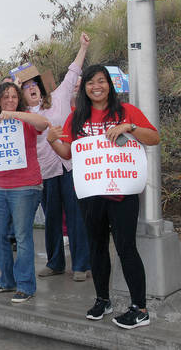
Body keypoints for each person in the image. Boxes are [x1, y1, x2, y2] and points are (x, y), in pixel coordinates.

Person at [47, 64, 159, 329]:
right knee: (96, 248)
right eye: (90, 82)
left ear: (110, 84)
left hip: (122, 193)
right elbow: (68, 153)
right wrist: (52, 140)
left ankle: (139, 308)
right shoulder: (76, 118)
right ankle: (102, 299)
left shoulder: (126, 112)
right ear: (84, 87)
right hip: (91, 193)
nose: (96, 86)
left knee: (125, 247)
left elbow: (153, 138)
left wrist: (128, 128)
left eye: (101, 81)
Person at [20, 32, 91, 282]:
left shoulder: (59, 97)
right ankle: (55, 262)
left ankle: (82, 264)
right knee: (51, 218)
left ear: (41, 88)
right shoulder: (23, 115)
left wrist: (82, 47)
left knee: (76, 215)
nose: (32, 90)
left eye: (34, 86)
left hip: (70, 166)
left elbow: (73, 71)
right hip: (46, 172)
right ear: (22, 95)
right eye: (26, 89)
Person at [0, 82, 49, 303]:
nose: (10, 100)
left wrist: (17, 115)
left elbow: (44, 123)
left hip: (26, 186)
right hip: (1, 185)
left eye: (13, 96)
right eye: (5, 97)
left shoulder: (26, 117)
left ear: (19, 99)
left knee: (22, 237)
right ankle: (7, 280)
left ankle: (26, 285)